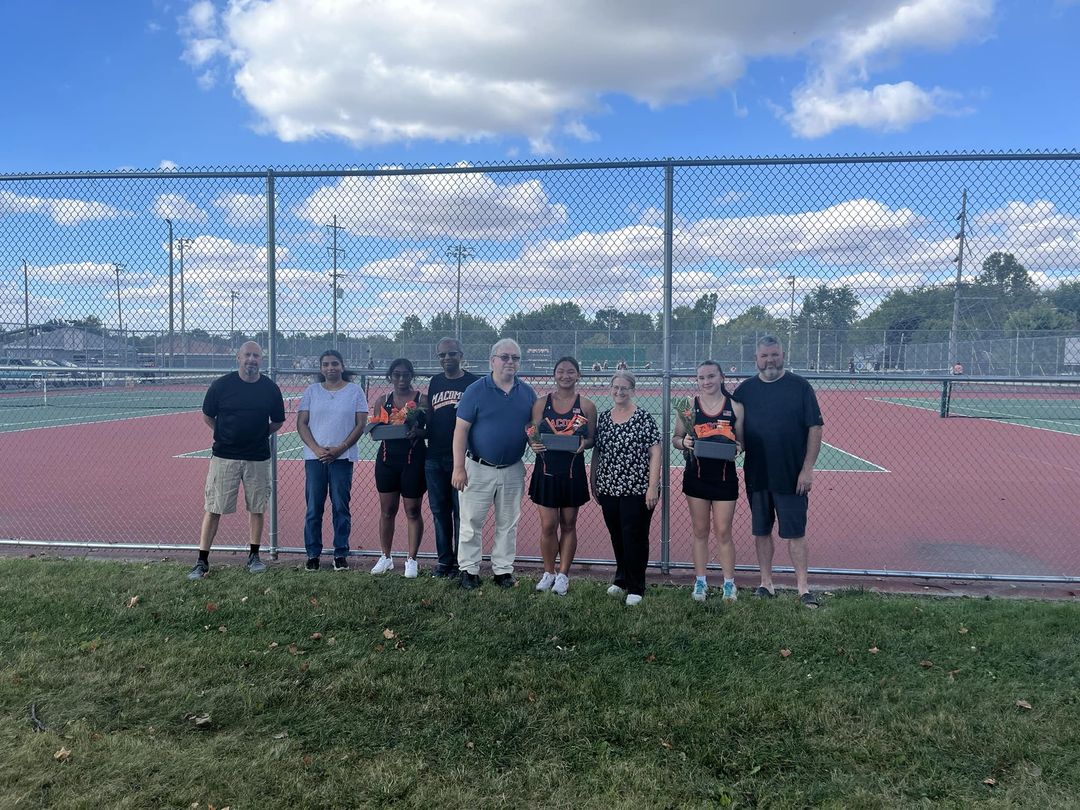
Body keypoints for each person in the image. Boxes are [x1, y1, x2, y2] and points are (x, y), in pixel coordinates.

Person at [733, 336, 824, 608]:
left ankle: (803, 588)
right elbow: (734, 431)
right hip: (757, 474)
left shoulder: (800, 387)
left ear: (782, 355)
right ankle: (766, 583)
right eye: (764, 356)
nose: (770, 360)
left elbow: (815, 428)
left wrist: (807, 469)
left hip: (791, 475)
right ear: (756, 359)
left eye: (774, 355)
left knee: (795, 533)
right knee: (761, 531)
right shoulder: (744, 391)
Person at [188, 341, 285, 580]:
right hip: (224, 457)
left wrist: (258, 435)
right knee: (213, 508)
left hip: (257, 457)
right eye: (247, 355)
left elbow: (278, 421)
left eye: (256, 356)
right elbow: (208, 416)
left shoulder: (270, 389)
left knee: (257, 507)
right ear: (238, 358)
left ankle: (254, 556)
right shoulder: (222, 386)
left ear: (261, 360)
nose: (252, 359)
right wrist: (225, 434)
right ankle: (202, 561)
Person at [452, 338, 537, 590]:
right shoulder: (476, 390)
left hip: (512, 468)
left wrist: (538, 443)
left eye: (515, 358)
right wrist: (458, 467)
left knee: (508, 522)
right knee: (471, 521)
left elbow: (532, 429)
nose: (510, 362)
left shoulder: (527, 392)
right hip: (477, 467)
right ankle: (468, 569)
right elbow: (460, 432)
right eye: (505, 357)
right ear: (492, 361)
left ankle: (503, 570)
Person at [673, 360, 744, 602]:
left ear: (722, 377)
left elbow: (742, 442)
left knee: (723, 532)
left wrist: (738, 448)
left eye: (711, 376)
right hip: (697, 476)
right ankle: (700, 582)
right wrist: (685, 443)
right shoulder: (688, 408)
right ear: (697, 380)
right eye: (701, 377)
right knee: (700, 531)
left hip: (725, 477)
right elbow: (676, 438)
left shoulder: (735, 406)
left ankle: (728, 583)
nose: (707, 381)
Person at [590, 371, 661, 606]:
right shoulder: (604, 418)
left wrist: (652, 487)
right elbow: (598, 452)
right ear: (610, 389)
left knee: (635, 537)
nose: (619, 392)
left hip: (637, 488)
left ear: (633, 390)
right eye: (615, 387)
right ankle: (621, 579)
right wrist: (594, 481)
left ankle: (636, 586)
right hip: (609, 487)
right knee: (617, 535)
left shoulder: (643, 417)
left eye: (624, 388)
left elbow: (655, 452)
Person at [528, 356, 597, 596]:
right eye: (561, 371)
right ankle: (548, 572)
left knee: (569, 524)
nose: (565, 376)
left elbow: (590, 439)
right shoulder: (541, 403)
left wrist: (583, 444)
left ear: (578, 375)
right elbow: (532, 434)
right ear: (554, 374)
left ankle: (564, 575)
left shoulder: (586, 405)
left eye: (570, 372)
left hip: (571, 472)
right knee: (548, 525)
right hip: (546, 470)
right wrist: (533, 443)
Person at [295, 349, 368, 572]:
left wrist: (340, 449)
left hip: (342, 459)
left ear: (342, 366)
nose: (330, 368)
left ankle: (340, 554)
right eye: (325, 364)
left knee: (340, 507)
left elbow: (360, 424)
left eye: (334, 363)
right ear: (320, 368)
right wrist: (317, 449)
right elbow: (302, 423)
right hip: (315, 459)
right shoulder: (311, 391)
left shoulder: (355, 391)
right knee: (314, 508)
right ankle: (313, 554)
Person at [424, 338, 479, 578]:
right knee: (439, 512)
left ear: (461, 355)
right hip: (434, 457)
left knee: (462, 513)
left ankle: (462, 563)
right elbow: (431, 417)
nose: (447, 359)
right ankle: (444, 562)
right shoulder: (435, 382)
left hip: (462, 459)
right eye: (442, 355)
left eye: (452, 354)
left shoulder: (473, 383)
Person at [369, 358, 428, 578]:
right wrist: (376, 429)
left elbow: (431, 429)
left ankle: (412, 559)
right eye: (397, 374)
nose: (401, 379)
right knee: (387, 511)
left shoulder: (422, 400)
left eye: (405, 374)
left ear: (411, 376)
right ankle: (385, 557)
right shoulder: (382, 400)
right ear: (390, 376)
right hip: (386, 460)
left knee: (412, 510)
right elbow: (375, 429)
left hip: (413, 460)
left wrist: (418, 432)